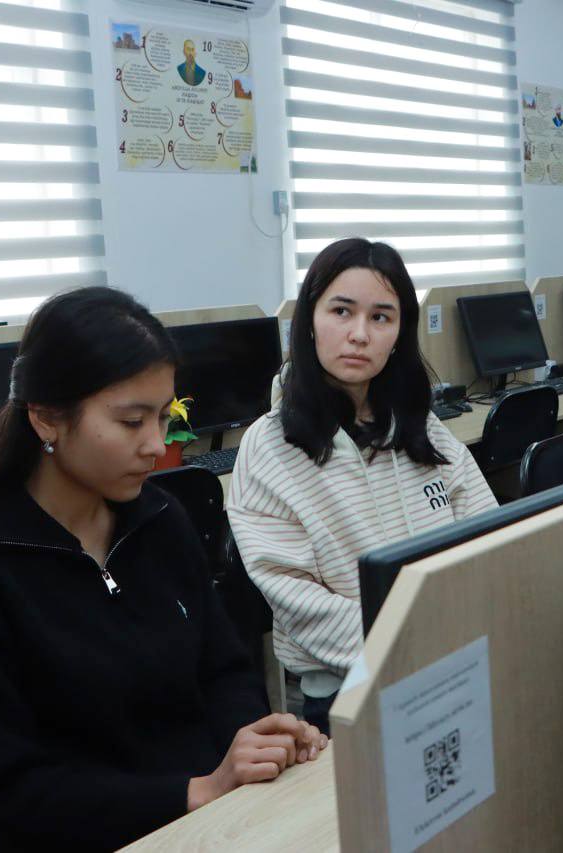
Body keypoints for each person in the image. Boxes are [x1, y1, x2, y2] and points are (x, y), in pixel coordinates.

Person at [0, 287, 325, 853]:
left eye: (164, 416)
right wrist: (194, 792)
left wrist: (257, 741)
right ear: (46, 418)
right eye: (131, 421)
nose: (157, 444)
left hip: (210, 824)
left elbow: (223, 669)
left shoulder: (160, 520)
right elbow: (8, 794)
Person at [227, 238, 497, 734]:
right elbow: (296, 598)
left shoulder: (421, 427)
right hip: (351, 690)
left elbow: (489, 536)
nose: (359, 334)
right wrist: (420, 645)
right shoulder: (269, 446)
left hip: (456, 664)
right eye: (341, 311)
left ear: (399, 333)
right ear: (310, 320)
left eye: (380, 317)